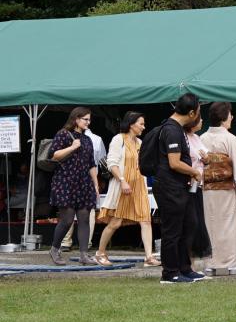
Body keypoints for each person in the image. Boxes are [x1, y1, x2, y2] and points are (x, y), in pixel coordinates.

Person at [152, 93, 205, 283]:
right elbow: (174, 163)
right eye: (198, 110)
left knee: (189, 225)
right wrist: (194, 172)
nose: (199, 114)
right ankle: (170, 273)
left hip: (179, 186)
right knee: (172, 231)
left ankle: (185, 268)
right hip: (169, 187)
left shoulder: (177, 129)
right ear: (191, 112)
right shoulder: (172, 130)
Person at [95, 112, 159, 267]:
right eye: (141, 124)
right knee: (115, 222)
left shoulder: (140, 143)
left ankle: (149, 257)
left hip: (138, 185)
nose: (143, 127)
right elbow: (112, 163)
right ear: (131, 124)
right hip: (123, 185)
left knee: (145, 220)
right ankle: (100, 253)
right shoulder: (118, 139)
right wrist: (122, 181)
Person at [200, 101, 236, 275]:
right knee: (227, 225)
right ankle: (230, 264)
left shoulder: (202, 138)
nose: (232, 117)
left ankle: (210, 263)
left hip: (207, 191)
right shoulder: (230, 139)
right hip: (226, 190)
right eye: (230, 114)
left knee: (209, 224)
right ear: (223, 117)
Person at [47, 107, 100, 266]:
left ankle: (84, 255)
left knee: (84, 218)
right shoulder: (63, 134)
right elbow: (54, 155)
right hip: (65, 182)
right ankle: (55, 249)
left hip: (84, 183)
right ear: (76, 119)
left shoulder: (87, 139)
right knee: (67, 219)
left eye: (89, 120)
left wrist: (96, 184)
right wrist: (72, 147)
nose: (88, 122)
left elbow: (91, 164)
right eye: (85, 119)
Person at [62, 121, 107, 251]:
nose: (88, 121)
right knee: (89, 212)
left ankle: (66, 242)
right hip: (89, 179)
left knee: (69, 209)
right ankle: (86, 242)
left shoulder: (67, 136)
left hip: (71, 178)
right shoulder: (97, 139)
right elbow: (102, 161)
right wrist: (97, 182)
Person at [185, 115, 212, 264]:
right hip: (188, 184)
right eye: (200, 119)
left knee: (197, 223)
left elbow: (206, 158)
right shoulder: (183, 138)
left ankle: (192, 262)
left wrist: (206, 159)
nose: (202, 121)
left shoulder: (196, 137)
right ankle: (187, 261)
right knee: (191, 223)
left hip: (198, 185)